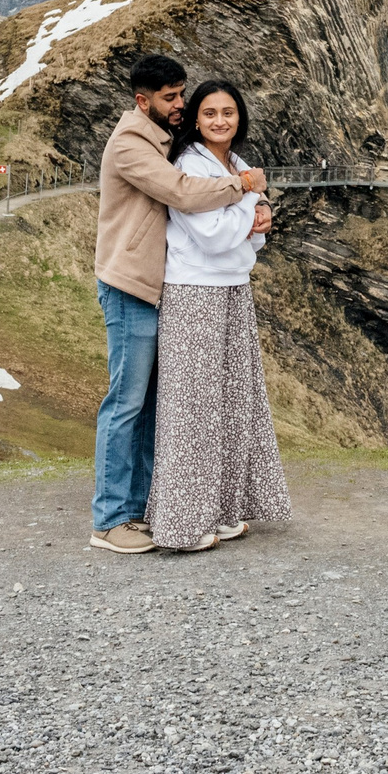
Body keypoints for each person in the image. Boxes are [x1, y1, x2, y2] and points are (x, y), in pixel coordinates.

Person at [90, 54, 270, 554]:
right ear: (141, 101)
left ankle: (147, 509)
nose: (181, 104)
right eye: (170, 97)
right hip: (131, 284)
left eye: (181, 94)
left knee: (151, 404)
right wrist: (247, 187)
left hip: (157, 284)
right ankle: (109, 520)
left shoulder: (165, 140)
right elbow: (183, 193)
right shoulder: (131, 144)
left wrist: (258, 205)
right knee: (125, 404)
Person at [146, 79, 292, 552]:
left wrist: (254, 212)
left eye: (228, 112)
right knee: (193, 409)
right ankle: (184, 525)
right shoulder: (190, 165)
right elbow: (211, 234)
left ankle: (224, 511)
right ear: (195, 119)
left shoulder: (238, 165)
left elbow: (254, 236)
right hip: (194, 292)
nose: (220, 121)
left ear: (239, 117)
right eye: (209, 113)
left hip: (233, 289)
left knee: (231, 404)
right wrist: (253, 205)